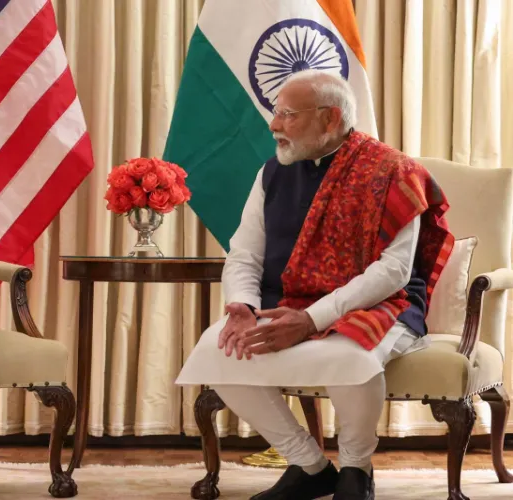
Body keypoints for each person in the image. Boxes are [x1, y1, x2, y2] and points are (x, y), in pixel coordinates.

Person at [176, 70, 453, 500]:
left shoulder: (394, 172)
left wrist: (310, 319)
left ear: (330, 118)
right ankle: (310, 466)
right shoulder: (271, 173)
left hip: (381, 304)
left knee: (348, 351)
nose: (273, 125)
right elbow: (245, 254)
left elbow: (393, 271)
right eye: (276, 113)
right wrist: (243, 305)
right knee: (219, 349)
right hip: (285, 301)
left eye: (288, 115)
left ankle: (357, 471)